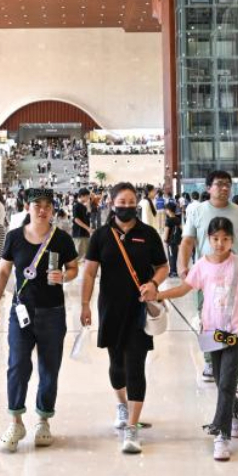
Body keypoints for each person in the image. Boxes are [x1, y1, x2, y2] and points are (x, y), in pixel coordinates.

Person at [156, 217, 238, 461]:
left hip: (237, 331)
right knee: (218, 379)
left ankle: (221, 435)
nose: (220, 243)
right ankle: (234, 413)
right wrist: (159, 294)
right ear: (208, 239)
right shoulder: (202, 265)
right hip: (211, 332)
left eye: (225, 239)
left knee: (226, 382)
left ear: (232, 240)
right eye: (215, 239)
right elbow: (184, 289)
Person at [0, 188, 79, 453]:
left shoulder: (61, 238)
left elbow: (74, 267)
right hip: (21, 312)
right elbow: (4, 270)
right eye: (37, 205)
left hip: (52, 312)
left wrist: (65, 276)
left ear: (53, 210)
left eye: (47, 206)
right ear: (27, 207)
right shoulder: (15, 237)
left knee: (49, 368)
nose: (42, 210)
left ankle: (43, 420)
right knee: (17, 365)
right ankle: (15, 420)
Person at [83, 182, 169, 454]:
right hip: (110, 308)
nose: (127, 206)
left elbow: (164, 267)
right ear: (111, 203)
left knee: (135, 366)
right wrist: (84, 304)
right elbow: (88, 273)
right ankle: (122, 404)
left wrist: (154, 284)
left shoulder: (148, 234)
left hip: (139, 309)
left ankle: (132, 428)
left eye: (132, 201)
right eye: (122, 201)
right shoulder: (101, 236)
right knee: (116, 366)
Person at [179, 170, 238, 385]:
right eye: (219, 184)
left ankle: (237, 373)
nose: (224, 188)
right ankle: (211, 361)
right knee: (208, 319)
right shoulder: (197, 212)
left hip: (236, 277)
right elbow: (187, 242)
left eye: (227, 184)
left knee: (236, 323)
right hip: (207, 278)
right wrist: (181, 266)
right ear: (208, 188)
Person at [71, 188, 94, 261]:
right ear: (81, 196)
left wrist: (88, 206)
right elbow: (76, 219)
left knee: (86, 255)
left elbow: (88, 216)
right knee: (78, 256)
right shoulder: (76, 205)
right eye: (87, 196)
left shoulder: (84, 206)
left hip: (85, 233)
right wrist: (88, 228)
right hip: (79, 233)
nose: (88, 198)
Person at [163, 201, 182, 277]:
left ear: (168, 210)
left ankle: (173, 272)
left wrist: (165, 240)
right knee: (175, 255)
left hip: (170, 241)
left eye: (166, 209)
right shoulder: (178, 219)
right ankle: (174, 270)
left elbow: (166, 231)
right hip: (177, 240)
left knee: (171, 256)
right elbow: (181, 229)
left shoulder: (168, 220)